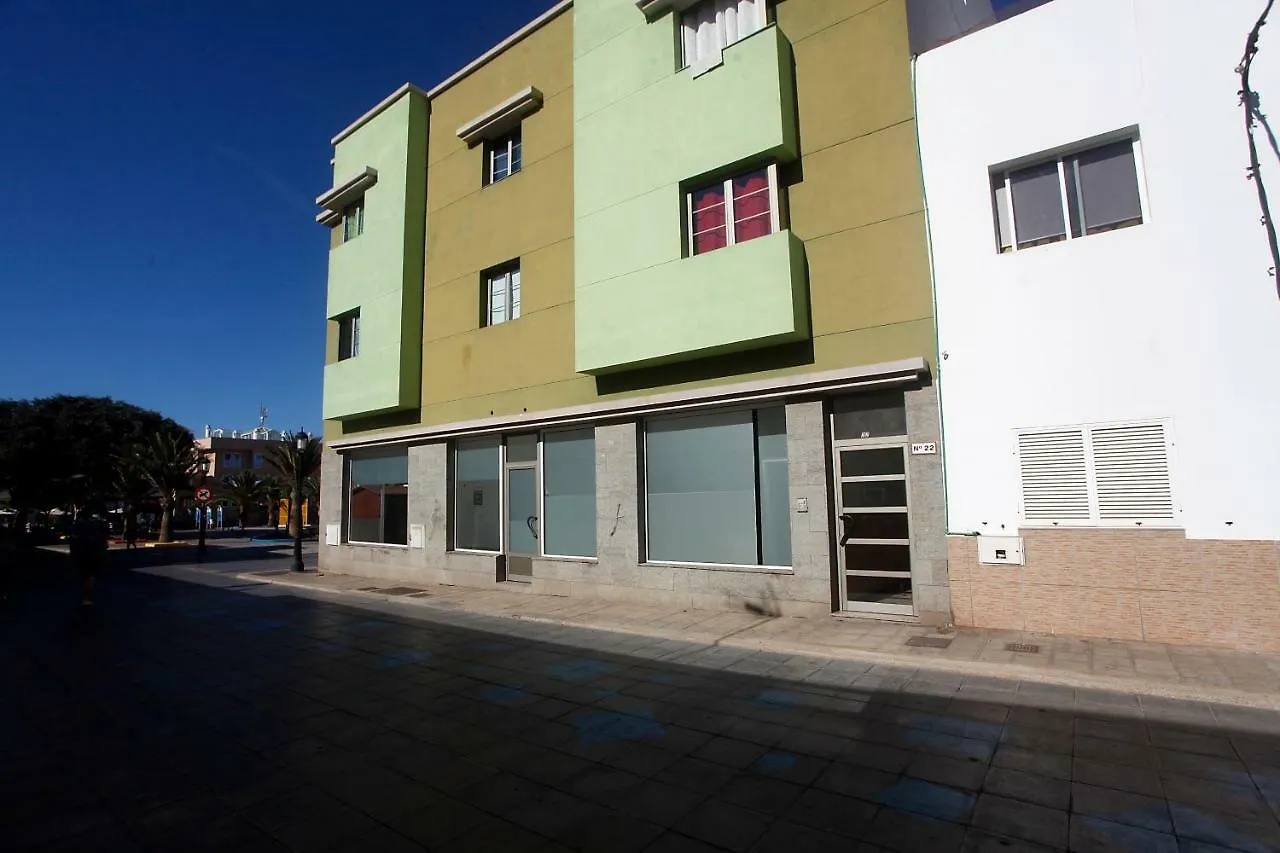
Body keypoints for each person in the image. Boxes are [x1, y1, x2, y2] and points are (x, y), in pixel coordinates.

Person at [68, 507, 109, 606]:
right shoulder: (96, 525)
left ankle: (87, 597)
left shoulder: (79, 526)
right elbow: (103, 539)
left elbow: (74, 540)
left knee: (86, 575)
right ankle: (88, 596)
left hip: (85, 553)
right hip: (95, 553)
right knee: (90, 576)